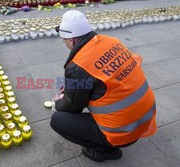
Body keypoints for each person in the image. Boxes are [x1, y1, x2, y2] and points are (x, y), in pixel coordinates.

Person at [50, 10, 157, 162]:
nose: (65, 44)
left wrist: (58, 102)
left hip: (124, 132)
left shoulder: (78, 66)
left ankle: (106, 151)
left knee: (58, 120)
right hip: (145, 118)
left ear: (72, 40)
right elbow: (102, 79)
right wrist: (71, 89)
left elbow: (72, 107)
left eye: (64, 40)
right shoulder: (112, 41)